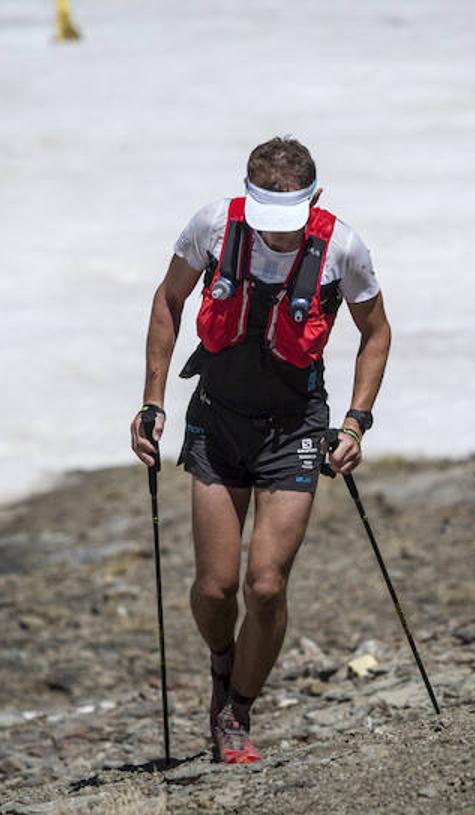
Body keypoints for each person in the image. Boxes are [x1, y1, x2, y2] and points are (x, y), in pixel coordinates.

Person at [130, 136, 391, 764]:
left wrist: (355, 423)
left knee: (266, 587)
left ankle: (236, 712)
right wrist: (152, 401)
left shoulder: (342, 248)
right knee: (216, 589)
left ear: (315, 200)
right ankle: (223, 666)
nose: (279, 235)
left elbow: (376, 332)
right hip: (217, 421)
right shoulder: (213, 228)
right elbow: (169, 301)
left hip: (296, 428)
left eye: (290, 221)